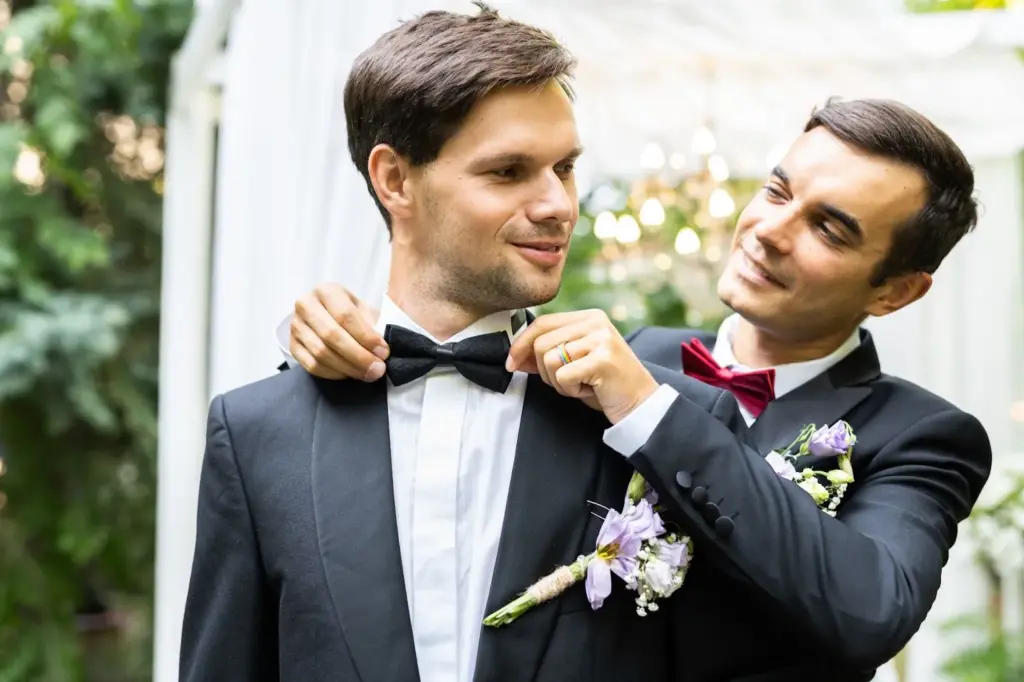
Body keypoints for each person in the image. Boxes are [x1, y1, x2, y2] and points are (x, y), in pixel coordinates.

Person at [283, 93, 994, 678]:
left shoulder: (924, 436)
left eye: (829, 229)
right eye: (777, 190)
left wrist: (653, 410)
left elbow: (869, 611)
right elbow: (444, 390)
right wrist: (333, 338)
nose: (769, 230)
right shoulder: (615, 357)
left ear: (897, 291)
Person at [181, 5, 748, 682]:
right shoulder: (255, 436)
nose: (559, 205)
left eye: (564, 169)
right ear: (395, 180)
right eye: (508, 171)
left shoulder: (648, 420)